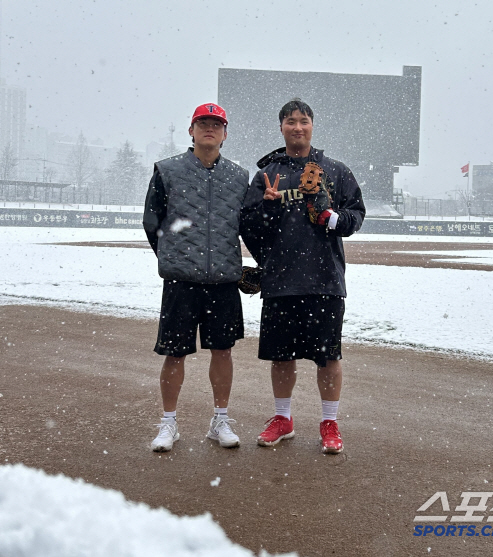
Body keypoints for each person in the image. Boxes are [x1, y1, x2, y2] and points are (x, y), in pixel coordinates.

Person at [240, 99, 365, 454]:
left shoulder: (335, 171)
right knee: (282, 356)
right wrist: (266, 210)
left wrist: (331, 217)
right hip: (281, 281)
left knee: (328, 357)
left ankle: (329, 423)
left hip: (324, 279)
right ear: (281, 126)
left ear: (313, 126)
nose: (297, 127)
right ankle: (283, 418)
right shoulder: (267, 174)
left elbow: (356, 214)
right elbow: (248, 227)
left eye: (304, 121)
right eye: (291, 121)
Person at [143, 102, 249, 452]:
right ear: (191, 130)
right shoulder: (167, 170)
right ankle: (168, 423)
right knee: (174, 354)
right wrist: (173, 257)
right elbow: (152, 221)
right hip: (181, 281)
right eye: (202, 123)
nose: (209, 129)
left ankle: (220, 420)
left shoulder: (238, 176)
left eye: (216, 124)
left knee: (223, 351)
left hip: (223, 280)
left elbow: (247, 226)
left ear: (225, 133)